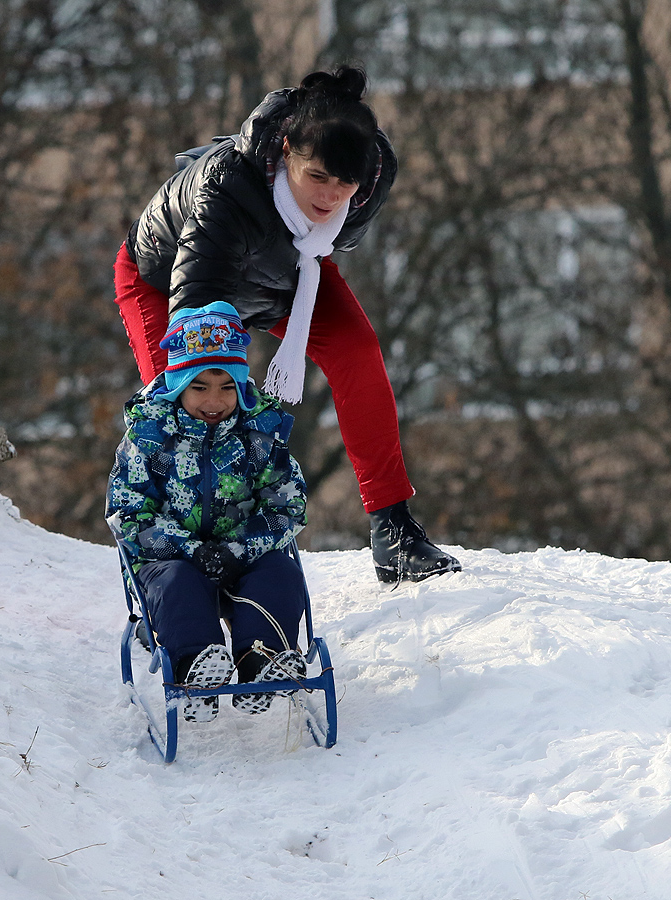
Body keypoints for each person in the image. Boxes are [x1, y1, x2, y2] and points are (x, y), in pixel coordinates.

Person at [112, 64, 461, 584]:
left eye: (345, 185)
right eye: (317, 177)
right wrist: (216, 380)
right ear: (286, 148)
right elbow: (196, 302)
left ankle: (394, 531)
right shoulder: (227, 188)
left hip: (284, 275)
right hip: (167, 281)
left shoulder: (373, 179)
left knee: (357, 350)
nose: (329, 198)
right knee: (185, 400)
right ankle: (177, 563)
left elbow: (324, 236)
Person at [106, 302, 310, 721]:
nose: (214, 400)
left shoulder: (259, 435)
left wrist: (239, 548)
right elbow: (129, 514)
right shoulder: (149, 437)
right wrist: (190, 550)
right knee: (177, 583)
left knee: (280, 573)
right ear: (177, 384)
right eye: (199, 386)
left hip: (242, 559)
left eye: (226, 386)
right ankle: (197, 668)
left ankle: (261, 661)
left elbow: (286, 504)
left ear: (240, 385)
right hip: (174, 562)